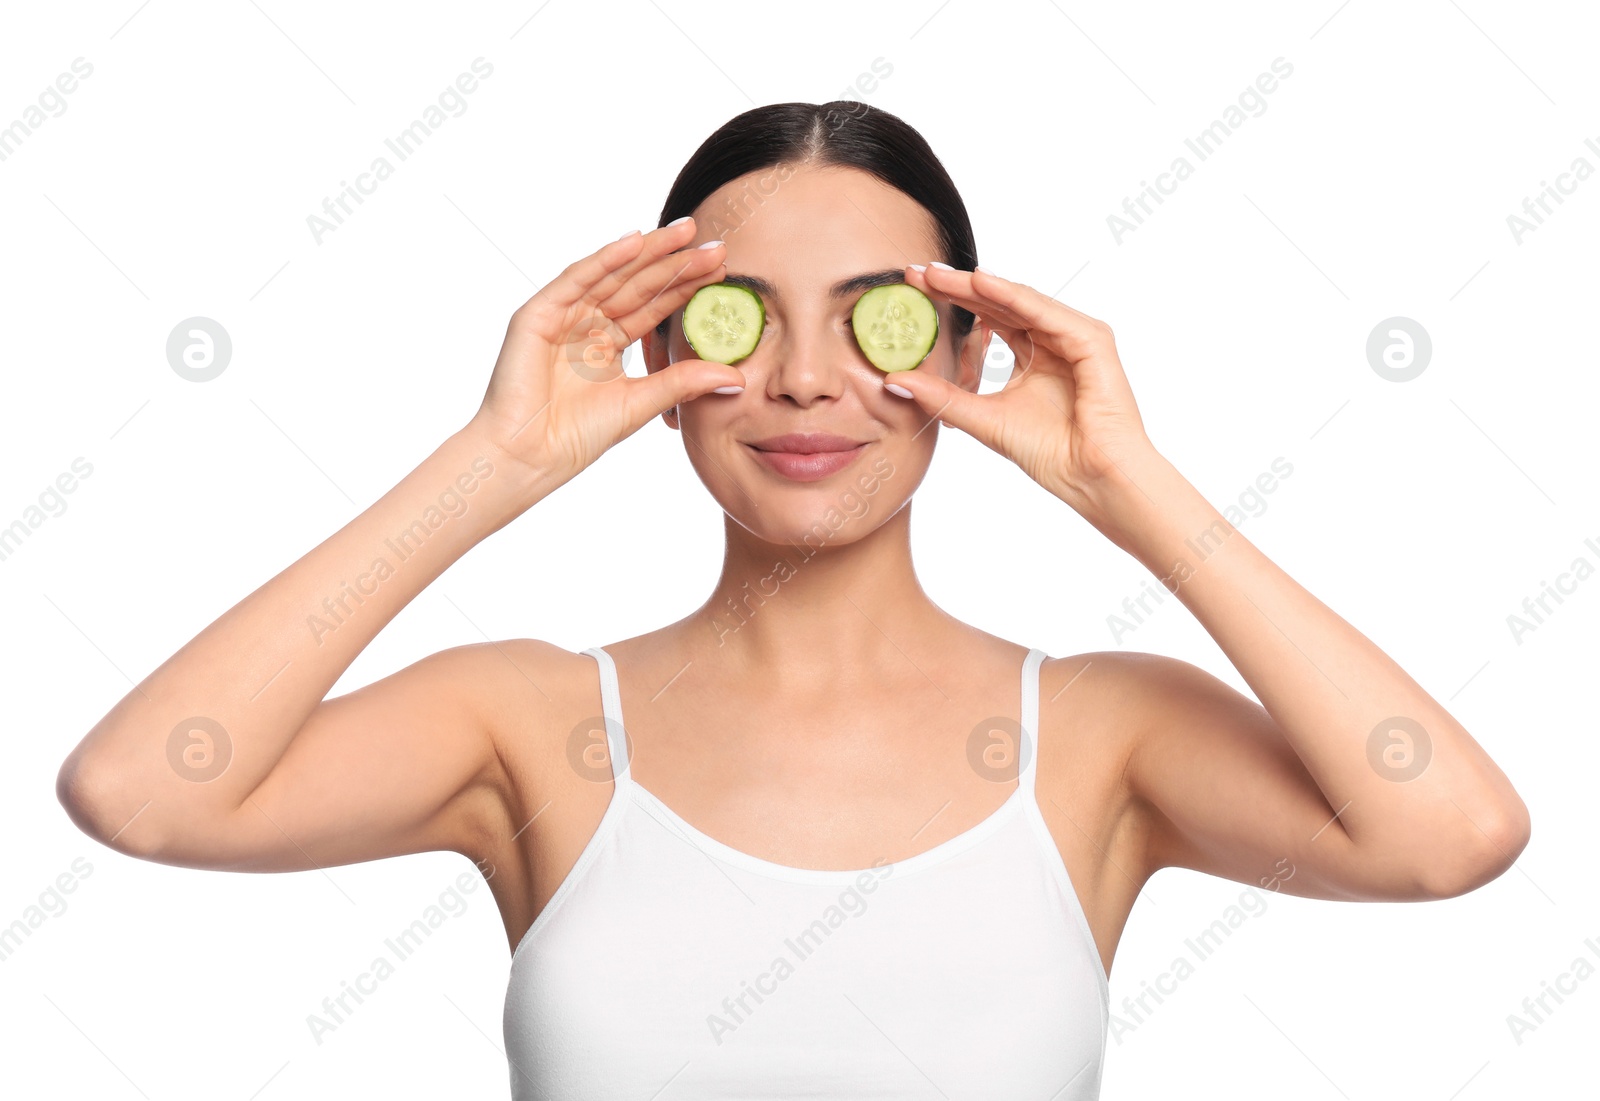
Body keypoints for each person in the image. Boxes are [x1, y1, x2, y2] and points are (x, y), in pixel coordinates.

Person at [55, 101, 1531, 1099]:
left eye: (872, 317)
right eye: (737, 318)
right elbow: (141, 792)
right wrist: (492, 462)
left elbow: (1447, 832)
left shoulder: (1099, 733)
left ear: (962, 354)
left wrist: (1129, 484)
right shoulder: (523, 718)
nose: (807, 379)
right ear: (653, 355)